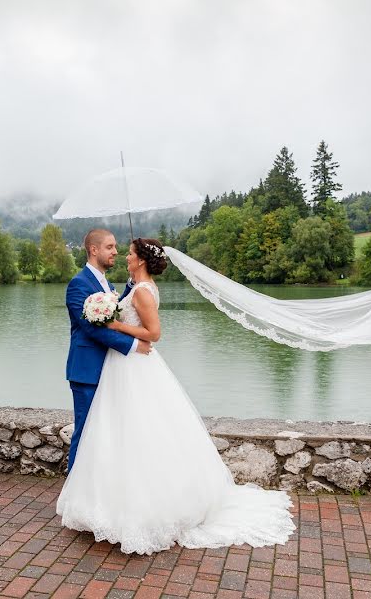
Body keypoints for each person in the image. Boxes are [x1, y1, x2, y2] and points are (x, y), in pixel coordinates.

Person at [57, 237, 295, 555]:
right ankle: (94, 498)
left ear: (141, 260)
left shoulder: (138, 289)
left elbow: (152, 332)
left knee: (132, 432)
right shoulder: (104, 284)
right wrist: (122, 310)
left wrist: (119, 324)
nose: (121, 255)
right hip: (111, 366)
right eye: (114, 249)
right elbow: (97, 325)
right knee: (107, 434)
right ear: (94, 250)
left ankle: (130, 503)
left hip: (130, 367)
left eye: (126, 252)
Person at [64, 229, 152, 472]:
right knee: (85, 433)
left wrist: (130, 288)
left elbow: (112, 314)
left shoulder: (106, 283)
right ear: (94, 250)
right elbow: (91, 328)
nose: (116, 251)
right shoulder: (78, 284)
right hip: (87, 370)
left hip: (111, 369)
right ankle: (73, 496)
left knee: (106, 435)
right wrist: (134, 345)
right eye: (110, 247)